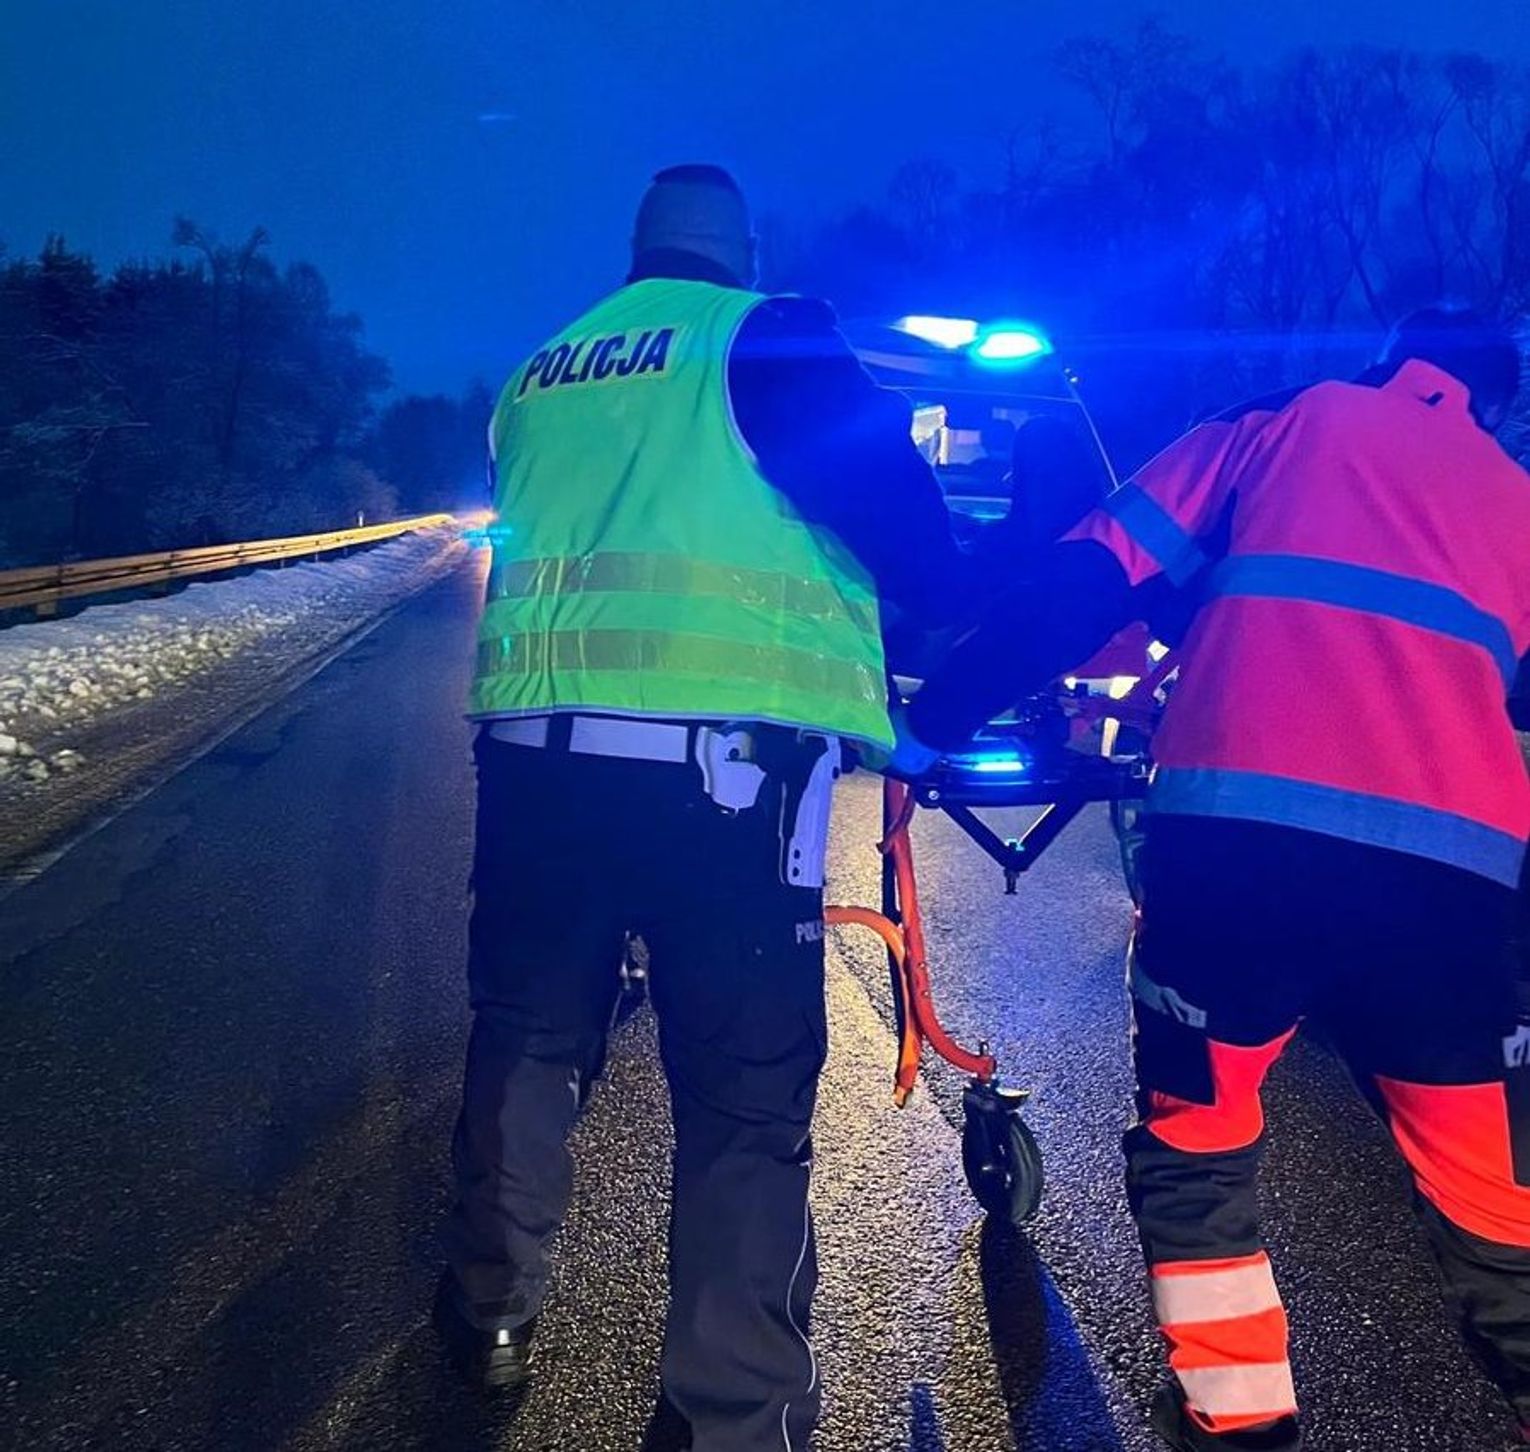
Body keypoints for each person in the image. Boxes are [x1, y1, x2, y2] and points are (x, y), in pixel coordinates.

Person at [905, 309, 1530, 1450]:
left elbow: (1091, 575)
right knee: (1496, 1202)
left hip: (1243, 855)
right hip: (1456, 890)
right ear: (1491, 401)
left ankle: (1239, 1423)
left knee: (1200, 1144)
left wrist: (933, 722)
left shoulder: (1285, 423)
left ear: (1387, 363)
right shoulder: (1516, 498)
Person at [436, 163, 968, 1451]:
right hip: (723, 783)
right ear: (744, 249)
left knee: (527, 1036)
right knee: (743, 1092)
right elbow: (902, 525)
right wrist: (967, 614)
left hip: (535, 765)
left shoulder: (542, 370)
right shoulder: (765, 337)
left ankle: (492, 1308)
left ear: (639, 250)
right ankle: (732, 1411)